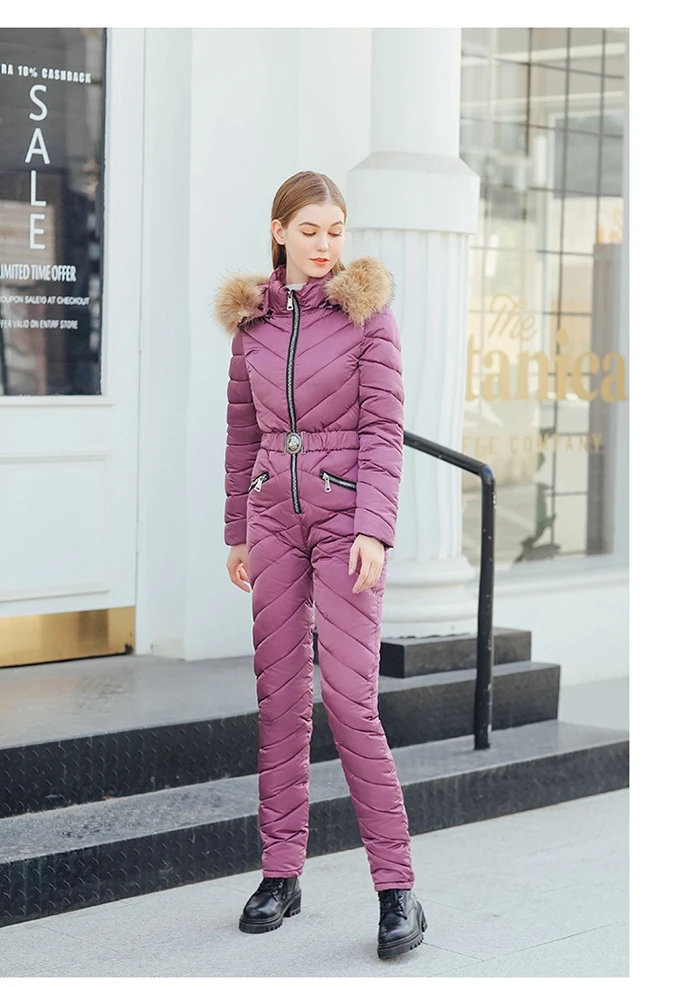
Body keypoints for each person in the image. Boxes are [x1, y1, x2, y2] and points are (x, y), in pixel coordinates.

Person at [212, 170, 427, 960]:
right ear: (279, 231)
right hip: (272, 518)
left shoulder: (369, 316)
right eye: (309, 230)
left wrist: (374, 528)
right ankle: (281, 874)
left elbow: (384, 430)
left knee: (350, 700)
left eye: (335, 230)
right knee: (278, 697)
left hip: (345, 525)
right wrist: (237, 528)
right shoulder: (252, 324)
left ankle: (397, 889)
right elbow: (242, 432)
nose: (324, 245)